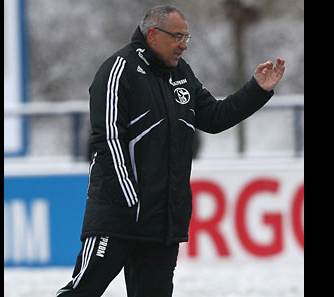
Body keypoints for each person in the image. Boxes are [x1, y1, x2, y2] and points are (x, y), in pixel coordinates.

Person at [57, 4, 285, 297]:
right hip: (118, 216)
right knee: (82, 292)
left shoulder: (182, 74)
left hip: (161, 223)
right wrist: (130, 199)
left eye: (187, 37)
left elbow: (214, 118)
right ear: (153, 35)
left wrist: (257, 89)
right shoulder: (118, 70)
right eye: (178, 36)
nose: (184, 45)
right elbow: (108, 140)